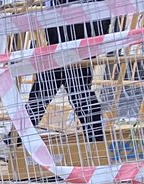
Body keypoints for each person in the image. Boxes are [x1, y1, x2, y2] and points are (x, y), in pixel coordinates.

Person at [24, 0, 111, 143]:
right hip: (66, 32)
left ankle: (17, 140)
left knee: (72, 91)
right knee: (55, 90)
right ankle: (17, 140)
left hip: (75, 32)